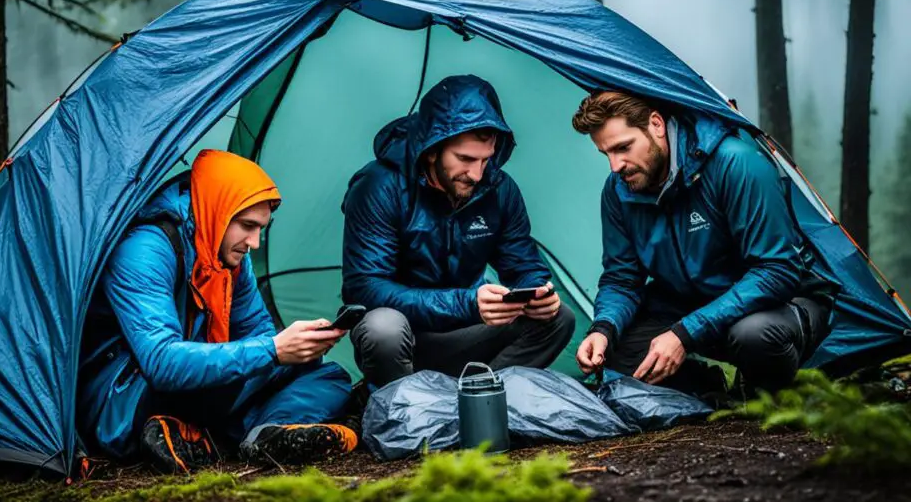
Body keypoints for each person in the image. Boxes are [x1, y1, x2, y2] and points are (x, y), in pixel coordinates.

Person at [77, 150, 356, 473]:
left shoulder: (226, 254)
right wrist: (274, 349)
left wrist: (299, 346)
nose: (254, 242)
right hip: (127, 399)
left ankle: (264, 434)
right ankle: (222, 433)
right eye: (247, 226)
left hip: (195, 384)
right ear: (216, 212)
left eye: (261, 228)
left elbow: (257, 331)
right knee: (276, 359)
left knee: (326, 374)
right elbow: (161, 362)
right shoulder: (145, 249)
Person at [571, 91, 833, 395]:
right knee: (617, 350)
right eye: (607, 154)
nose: (616, 165)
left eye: (623, 148)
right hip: (691, 303)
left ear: (656, 124)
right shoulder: (619, 190)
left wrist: (686, 332)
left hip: (777, 304)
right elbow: (622, 277)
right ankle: (711, 391)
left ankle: (774, 396)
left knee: (755, 336)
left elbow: (777, 270)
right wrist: (603, 329)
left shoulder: (736, 164)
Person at [341, 74, 576, 389]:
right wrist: (466, 303)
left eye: (485, 160)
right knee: (383, 327)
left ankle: (471, 401)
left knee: (559, 318)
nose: (477, 174)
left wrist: (537, 293)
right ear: (432, 149)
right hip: (404, 336)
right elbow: (365, 288)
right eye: (465, 159)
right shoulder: (379, 186)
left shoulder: (499, 189)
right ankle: (400, 411)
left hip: (466, 333)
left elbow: (523, 264)